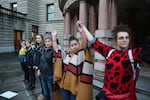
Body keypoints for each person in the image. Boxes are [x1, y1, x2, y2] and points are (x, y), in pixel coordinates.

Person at [76, 20, 150, 100]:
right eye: (121, 38)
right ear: (116, 41)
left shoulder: (133, 53)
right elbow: (93, 42)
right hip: (107, 96)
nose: (125, 40)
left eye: (127, 37)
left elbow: (146, 52)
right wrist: (83, 28)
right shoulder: (110, 52)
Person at [52, 30, 93, 100]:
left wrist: (81, 32)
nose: (74, 47)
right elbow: (56, 49)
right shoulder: (67, 55)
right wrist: (53, 37)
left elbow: (84, 45)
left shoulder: (81, 55)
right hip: (64, 87)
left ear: (79, 44)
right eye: (72, 45)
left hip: (75, 88)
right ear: (69, 47)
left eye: (76, 44)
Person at [36, 33, 54, 100]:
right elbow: (40, 61)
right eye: (46, 41)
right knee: (45, 92)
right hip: (42, 74)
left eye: (49, 41)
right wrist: (39, 69)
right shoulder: (42, 50)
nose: (47, 43)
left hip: (50, 75)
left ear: (52, 42)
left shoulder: (53, 51)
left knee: (51, 91)